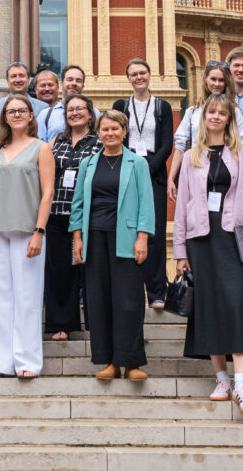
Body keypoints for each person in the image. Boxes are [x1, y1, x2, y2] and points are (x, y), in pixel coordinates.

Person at [173, 94, 243, 415]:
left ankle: (242, 384)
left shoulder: (241, 155)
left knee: (236, 305)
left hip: (232, 239)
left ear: (229, 119)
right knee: (208, 307)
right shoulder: (191, 157)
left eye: (221, 113)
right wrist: (180, 251)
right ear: (203, 117)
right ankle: (222, 379)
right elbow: (182, 206)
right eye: (210, 112)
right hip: (200, 241)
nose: (215, 117)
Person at [0, 93, 55, 379]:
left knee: (27, 296)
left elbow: (48, 193)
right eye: (11, 111)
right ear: (4, 117)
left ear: (31, 116)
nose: (16, 115)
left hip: (27, 230)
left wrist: (39, 231)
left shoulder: (42, 148)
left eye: (21, 110)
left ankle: (27, 361)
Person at [68, 110, 154, 380]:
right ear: (98, 133)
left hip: (126, 238)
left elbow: (146, 202)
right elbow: (78, 203)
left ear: (124, 131)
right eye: (105, 129)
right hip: (94, 237)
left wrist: (143, 237)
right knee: (99, 300)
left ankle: (132, 363)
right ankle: (109, 363)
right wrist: (77, 237)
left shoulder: (137, 163)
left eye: (115, 128)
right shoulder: (88, 164)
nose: (110, 133)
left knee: (128, 302)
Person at [111, 59, 173, 309]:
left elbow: (167, 143)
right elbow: (115, 138)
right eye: (134, 74)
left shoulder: (162, 106)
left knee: (154, 231)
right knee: (127, 229)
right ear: (128, 78)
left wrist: (148, 168)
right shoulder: (121, 105)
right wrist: (131, 167)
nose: (139, 77)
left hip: (153, 171)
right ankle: (132, 290)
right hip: (126, 169)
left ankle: (157, 291)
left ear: (149, 75)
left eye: (142, 73)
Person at [44, 93, 101, 341]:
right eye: (70, 109)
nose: (75, 113)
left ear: (90, 113)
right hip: (57, 213)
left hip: (88, 216)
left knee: (89, 271)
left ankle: (96, 325)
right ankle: (61, 324)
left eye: (80, 109)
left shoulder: (99, 142)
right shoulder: (58, 140)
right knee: (59, 271)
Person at [168, 61, 243, 201]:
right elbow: (180, 146)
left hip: (224, 173)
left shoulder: (233, 111)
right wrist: (171, 178)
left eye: (221, 80)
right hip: (196, 169)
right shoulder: (192, 112)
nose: (217, 84)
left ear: (226, 82)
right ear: (205, 78)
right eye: (213, 79)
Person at [34, 70, 65, 142]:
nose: (47, 89)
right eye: (43, 85)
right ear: (35, 89)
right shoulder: (28, 110)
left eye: (50, 85)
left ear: (58, 87)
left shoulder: (66, 111)